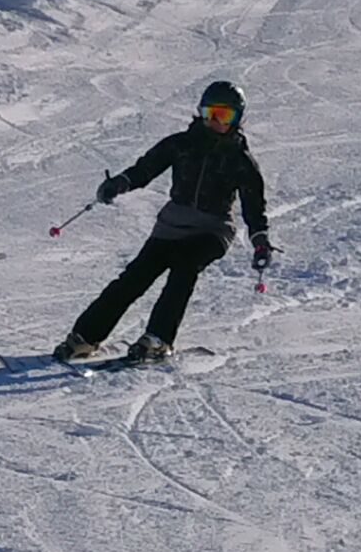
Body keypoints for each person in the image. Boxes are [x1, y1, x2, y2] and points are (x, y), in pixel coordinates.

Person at [53, 81, 275, 364]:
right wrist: (119, 183)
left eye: (225, 116)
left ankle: (158, 339)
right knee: (135, 277)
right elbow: (145, 168)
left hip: (212, 229)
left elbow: (254, 208)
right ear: (201, 113)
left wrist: (260, 241)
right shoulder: (180, 144)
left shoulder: (241, 161)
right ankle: (85, 337)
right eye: (211, 113)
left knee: (184, 269)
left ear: (237, 119)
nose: (217, 122)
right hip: (172, 225)